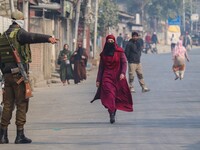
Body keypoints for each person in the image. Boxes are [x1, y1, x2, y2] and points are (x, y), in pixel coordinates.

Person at [0, 10, 58, 144]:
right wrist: (48, 38)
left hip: (7, 75)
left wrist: (4, 72)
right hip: (19, 76)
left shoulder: (3, 36)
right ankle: (19, 135)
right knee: (21, 103)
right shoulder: (19, 33)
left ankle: (3, 136)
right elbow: (33, 37)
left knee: (8, 104)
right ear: (20, 20)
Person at [92, 34, 133, 124]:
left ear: (114, 42)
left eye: (112, 41)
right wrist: (98, 80)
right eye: (108, 41)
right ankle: (111, 113)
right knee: (109, 95)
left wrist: (123, 73)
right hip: (107, 77)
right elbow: (101, 68)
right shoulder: (103, 54)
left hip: (118, 77)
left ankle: (113, 110)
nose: (110, 42)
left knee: (116, 97)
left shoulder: (120, 52)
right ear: (106, 42)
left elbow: (124, 63)